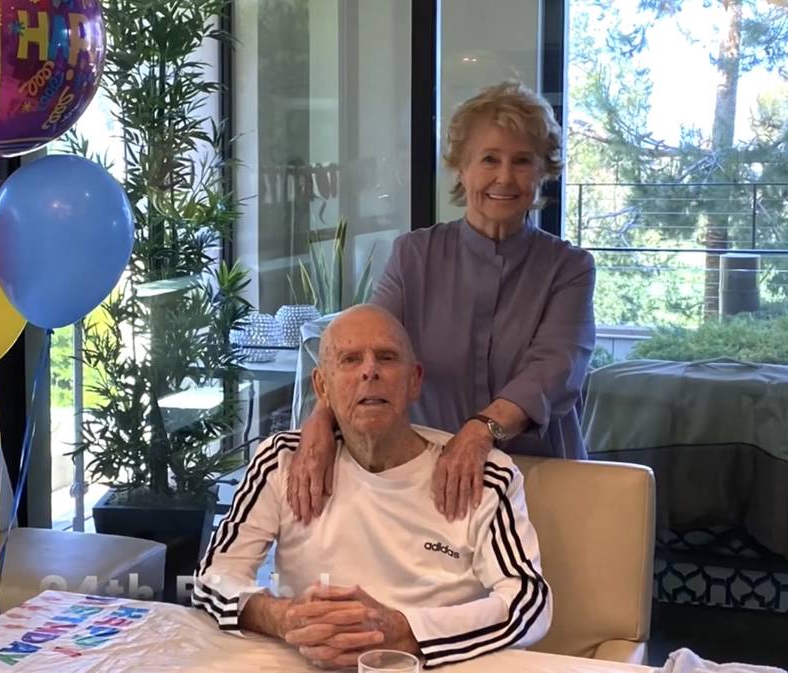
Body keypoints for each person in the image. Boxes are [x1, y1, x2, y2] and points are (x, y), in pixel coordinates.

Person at [290, 81, 596, 524]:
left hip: (539, 485)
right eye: (489, 159)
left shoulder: (569, 268)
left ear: (543, 173)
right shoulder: (414, 256)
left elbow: (555, 369)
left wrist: (479, 431)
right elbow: (365, 347)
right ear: (461, 169)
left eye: (522, 161)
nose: (505, 178)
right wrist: (322, 417)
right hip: (432, 483)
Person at [193, 305, 551, 670]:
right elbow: (212, 578)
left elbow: (529, 601)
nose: (370, 371)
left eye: (386, 357)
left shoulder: (481, 473)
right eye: (349, 360)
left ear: (415, 381)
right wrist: (282, 617)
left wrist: (407, 632)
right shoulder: (283, 460)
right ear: (322, 387)